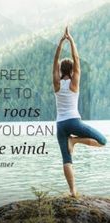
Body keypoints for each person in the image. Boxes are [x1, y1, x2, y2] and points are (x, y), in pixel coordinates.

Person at [53, 26, 107, 197]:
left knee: (66, 160)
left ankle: (72, 191)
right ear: (72, 71)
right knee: (103, 141)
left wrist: (61, 43)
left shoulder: (56, 84)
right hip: (74, 121)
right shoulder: (74, 83)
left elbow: (55, 62)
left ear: (61, 71)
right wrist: (72, 40)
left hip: (60, 125)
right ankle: (75, 141)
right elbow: (77, 60)